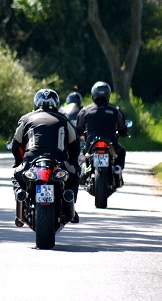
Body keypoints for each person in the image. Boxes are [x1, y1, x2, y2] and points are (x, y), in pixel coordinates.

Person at [10, 88, 81, 223]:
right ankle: (69, 202)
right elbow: (74, 145)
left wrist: (18, 161)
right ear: (56, 103)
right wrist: (74, 162)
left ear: (36, 103)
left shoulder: (26, 119)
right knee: (75, 175)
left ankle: (21, 198)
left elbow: (16, 144)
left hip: (31, 161)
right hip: (58, 161)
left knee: (16, 175)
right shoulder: (64, 120)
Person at [75, 81, 128, 186]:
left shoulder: (85, 110)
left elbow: (79, 129)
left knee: (81, 154)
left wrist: (79, 134)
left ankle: (84, 170)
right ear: (108, 94)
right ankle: (117, 171)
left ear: (93, 94)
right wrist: (123, 133)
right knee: (121, 152)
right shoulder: (115, 110)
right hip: (111, 142)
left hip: (91, 142)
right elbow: (122, 128)